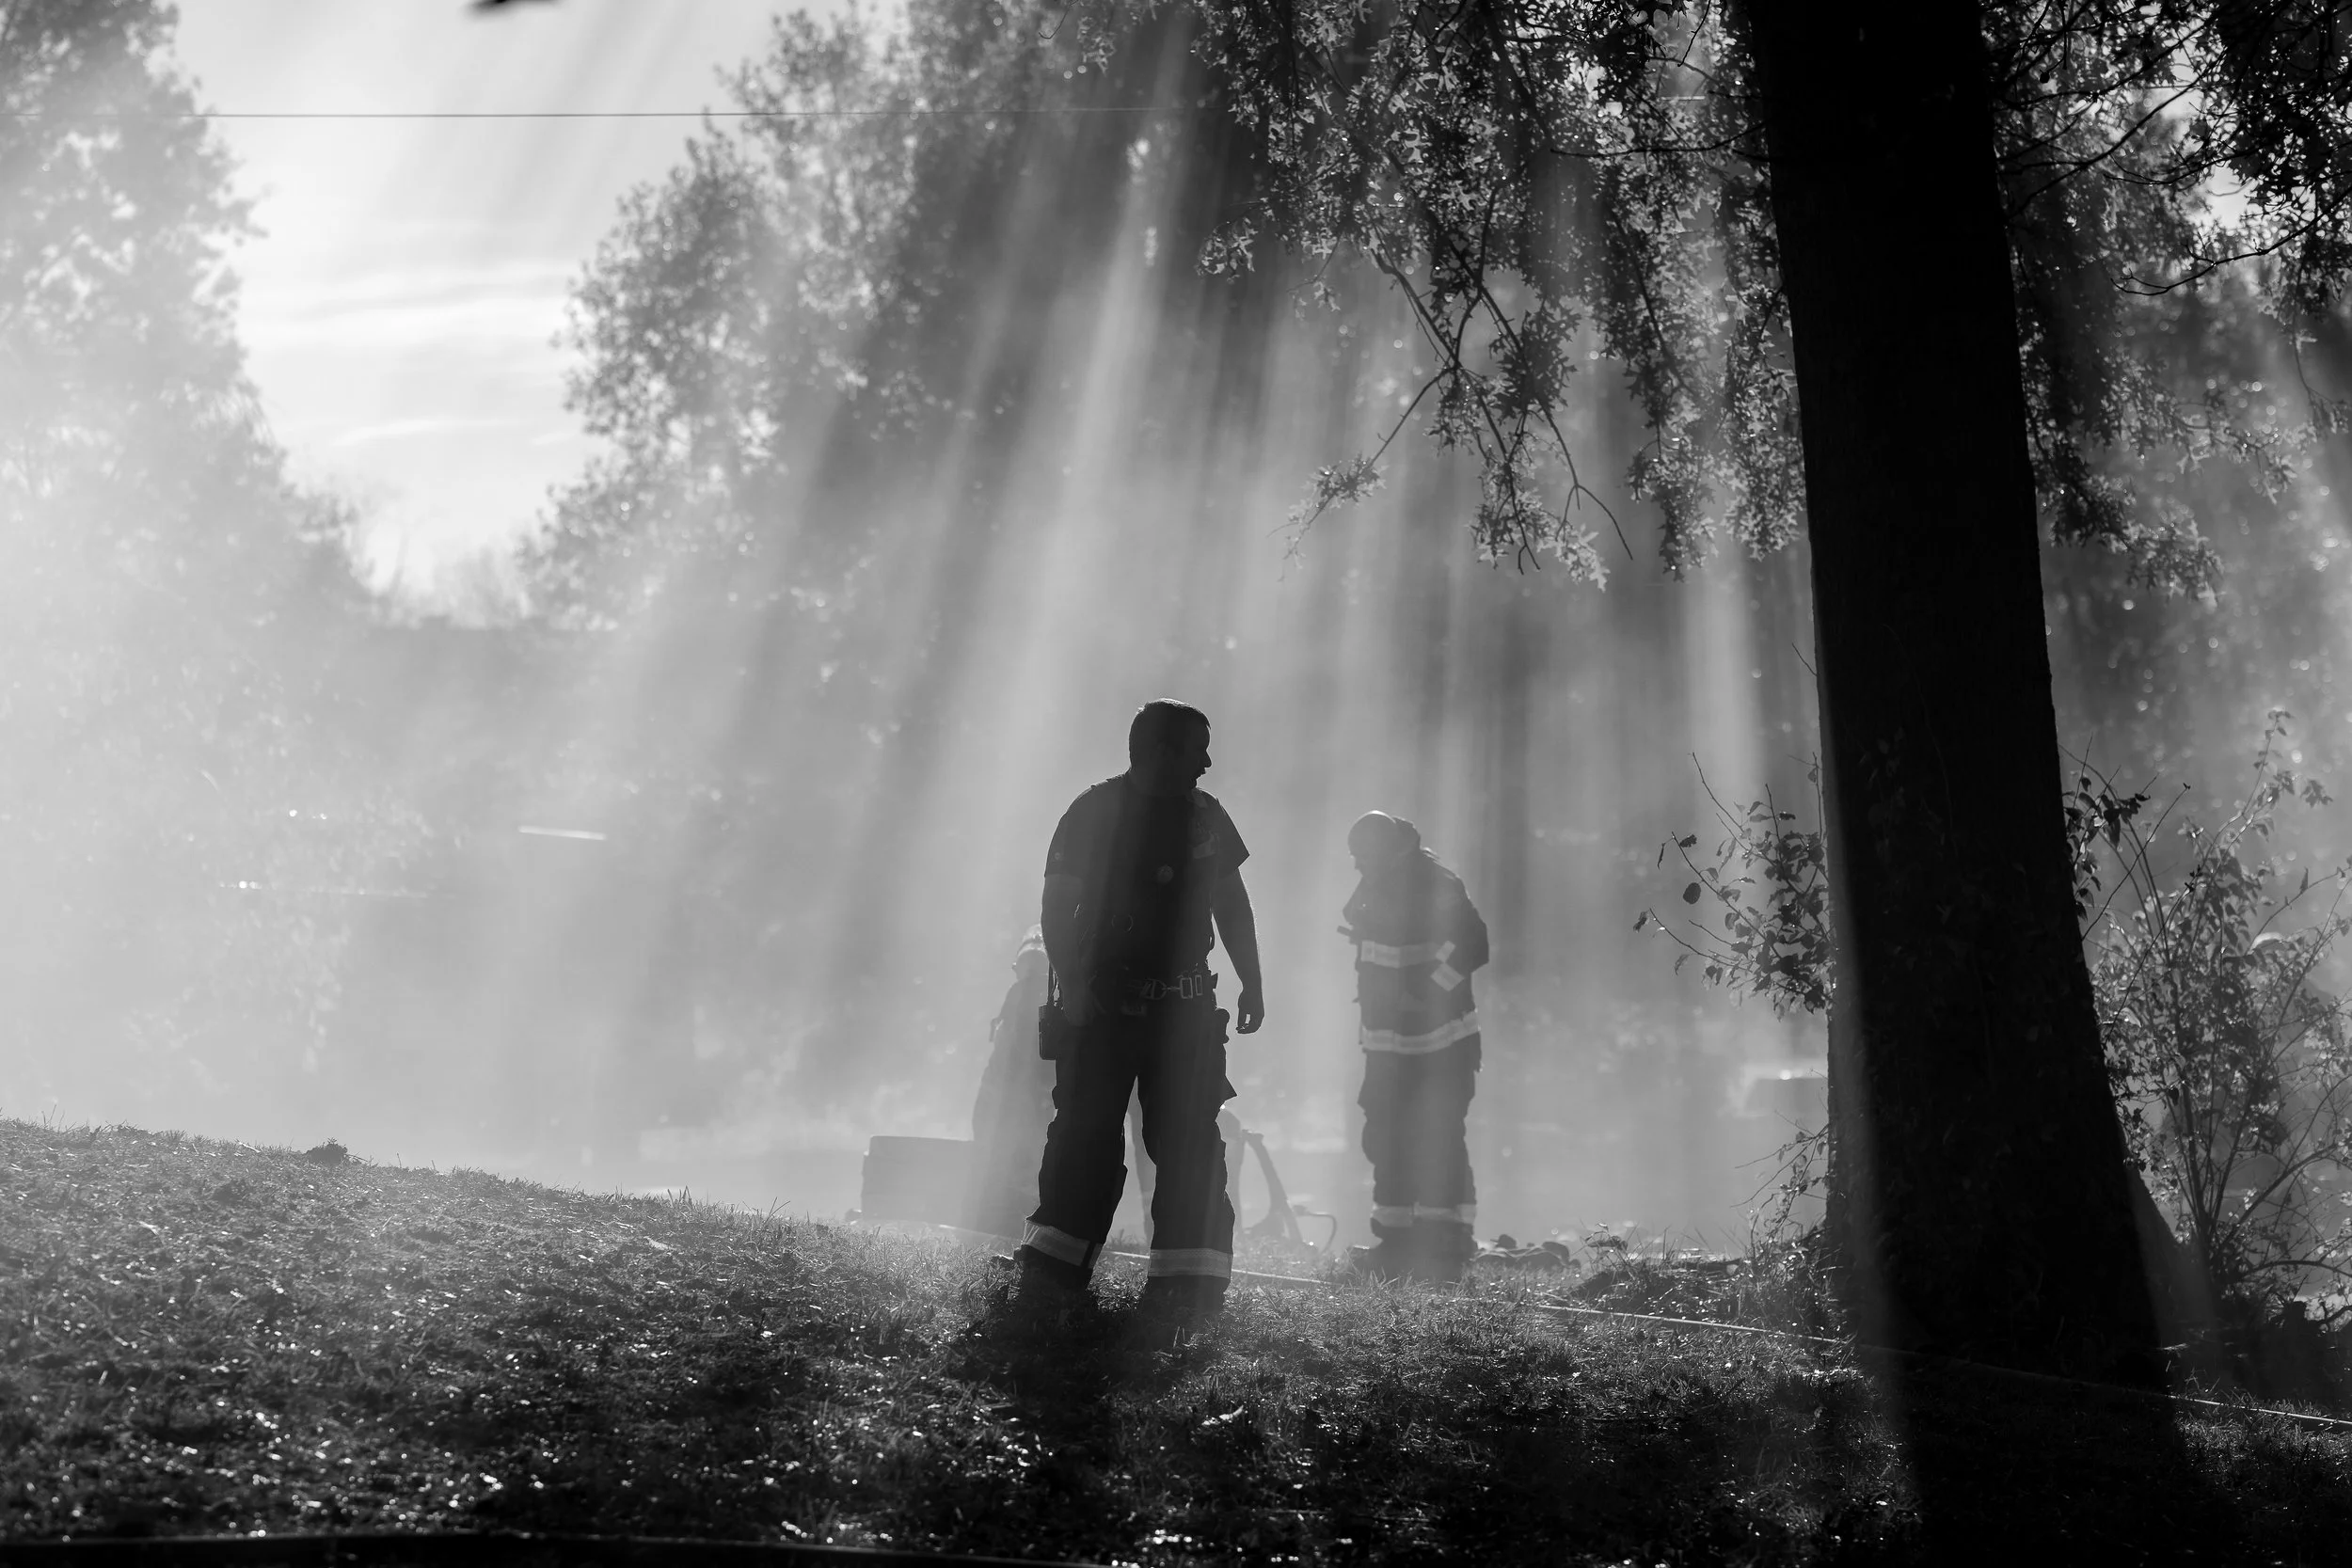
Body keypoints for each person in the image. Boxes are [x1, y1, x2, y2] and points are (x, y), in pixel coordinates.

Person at [1015, 699, 1265, 1336]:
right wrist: (1071, 983)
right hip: (1102, 1009)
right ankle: (1053, 1277)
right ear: (1158, 750)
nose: (1207, 761)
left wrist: (1253, 980)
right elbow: (1057, 903)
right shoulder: (1093, 811)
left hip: (1185, 1013)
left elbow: (1231, 903)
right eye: (1196, 748)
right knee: (1083, 1140)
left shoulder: (1207, 816)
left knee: (1189, 1149)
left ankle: (1190, 1291)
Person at [1341, 811, 1488, 1282]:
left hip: (1439, 1045)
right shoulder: (1378, 883)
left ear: (1391, 849)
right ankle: (1396, 1242)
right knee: (1386, 1136)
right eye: (1356, 857)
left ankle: (1446, 1245)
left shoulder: (1434, 883)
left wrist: (1424, 994)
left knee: (1438, 1137)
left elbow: (1474, 945)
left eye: (1365, 856)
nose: (1359, 865)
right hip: (1387, 1047)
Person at [965, 928, 1056, 1239]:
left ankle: (999, 1226)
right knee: (1010, 1172)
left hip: (1019, 1106)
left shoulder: (1024, 997)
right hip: (1012, 1106)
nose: (1028, 975)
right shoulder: (1033, 999)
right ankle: (1002, 1226)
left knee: (1009, 1172)